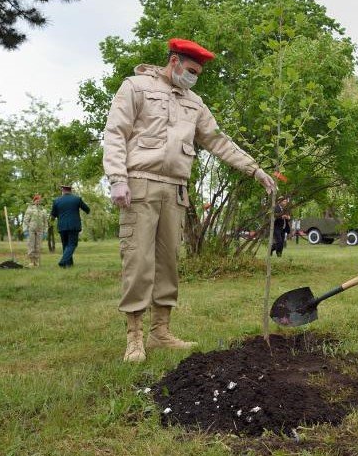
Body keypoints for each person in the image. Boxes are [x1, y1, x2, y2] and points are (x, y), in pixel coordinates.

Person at [103, 38, 276, 363]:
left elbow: (216, 140)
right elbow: (115, 132)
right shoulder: (136, 87)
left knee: (169, 262)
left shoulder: (194, 103)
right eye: (192, 70)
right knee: (138, 260)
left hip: (176, 189)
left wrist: (254, 169)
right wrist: (117, 178)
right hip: (139, 184)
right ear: (174, 61)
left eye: (198, 73)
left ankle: (161, 331)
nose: (194, 77)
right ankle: (135, 336)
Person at [50, 185, 90, 268]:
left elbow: (53, 216)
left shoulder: (56, 201)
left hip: (62, 226)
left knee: (65, 245)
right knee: (72, 244)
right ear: (70, 190)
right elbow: (87, 209)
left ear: (62, 191)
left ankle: (69, 264)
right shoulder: (77, 199)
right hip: (73, 226)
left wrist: (51, 222)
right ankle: (63, 261)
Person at [22, 193, 48, 267]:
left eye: (39, 200)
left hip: (40, 231)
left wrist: (45, 232)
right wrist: (25, 230)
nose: (38, 201)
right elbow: (25, 220)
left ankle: (36, 261)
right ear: (34, 201)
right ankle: (31, 261)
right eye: (36, 200)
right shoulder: (30, 209)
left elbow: (45, 222)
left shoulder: (43, 210)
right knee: (31, 245)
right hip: (31, 230)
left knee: (38, 246)